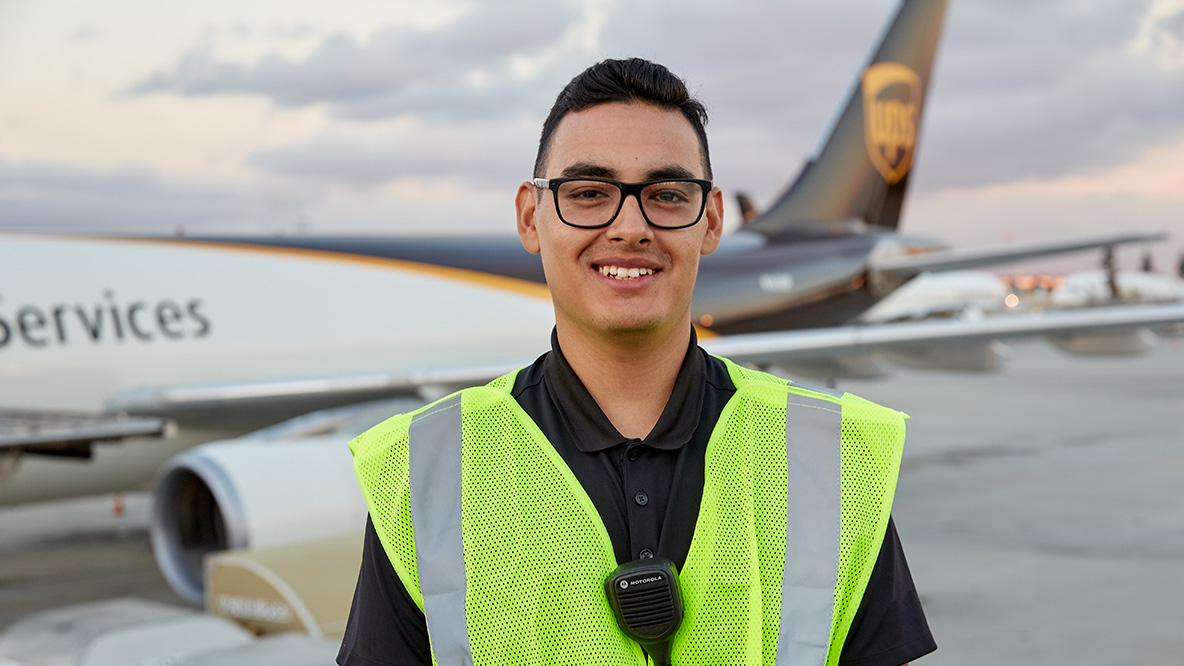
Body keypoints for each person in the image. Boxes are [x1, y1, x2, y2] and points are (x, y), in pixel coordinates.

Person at [339, 57, 935, 666]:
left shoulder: (828, 455)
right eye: (589, 193)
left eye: (668, 195)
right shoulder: (423, 469)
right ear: (529, 216)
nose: (630, 227)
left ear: (711, 220)